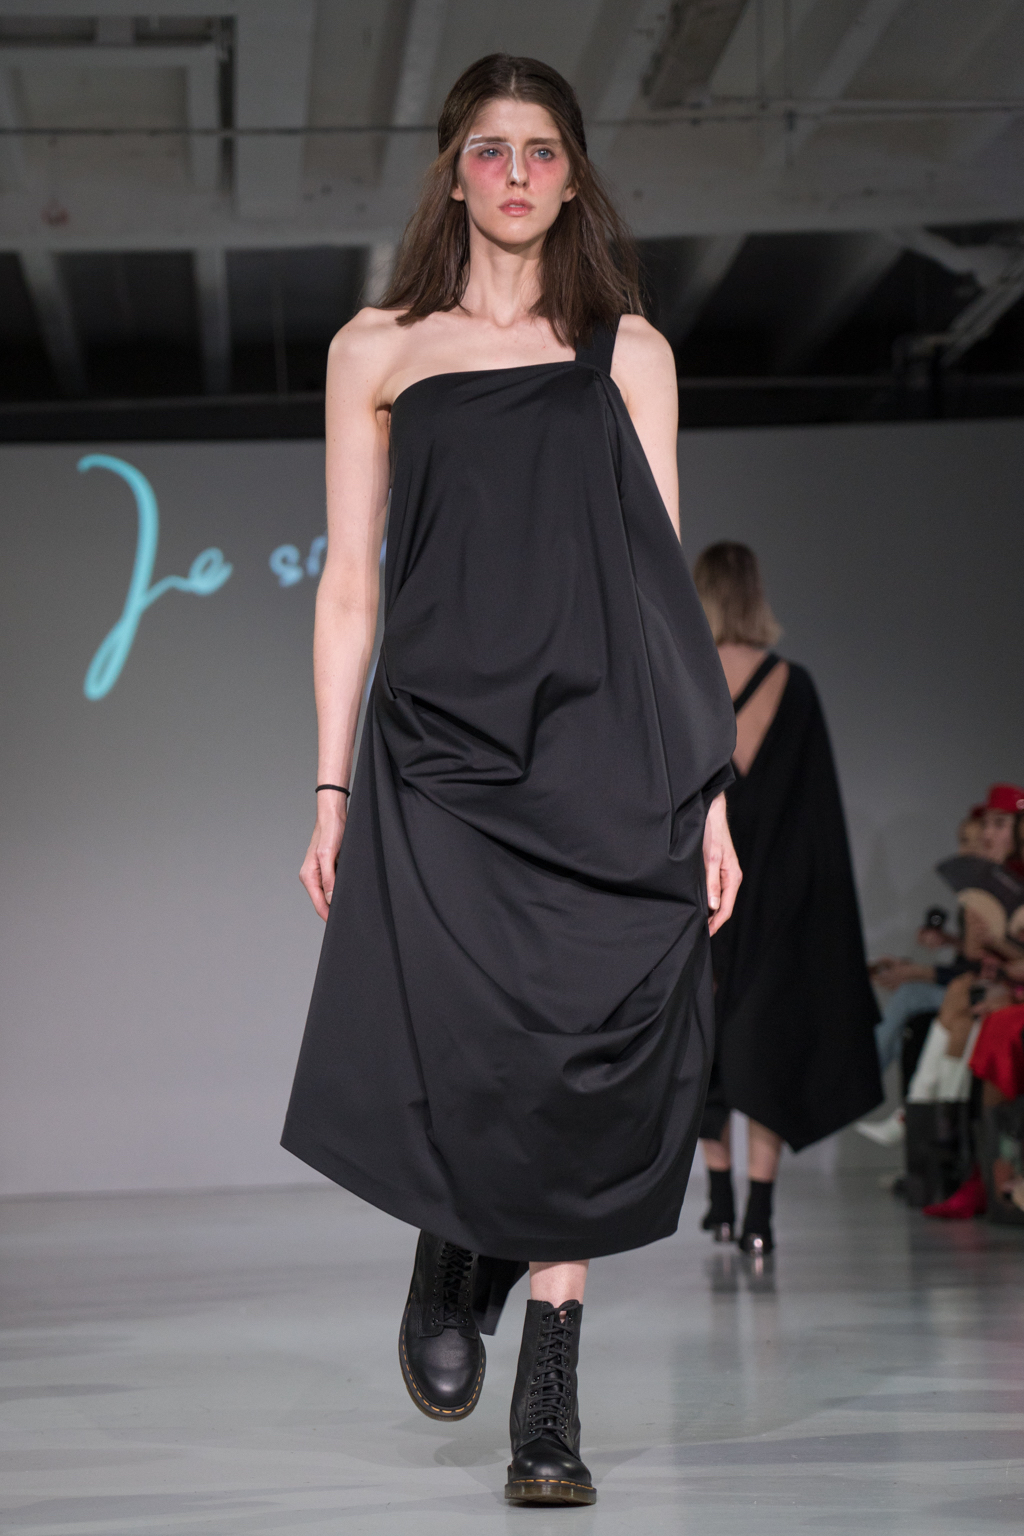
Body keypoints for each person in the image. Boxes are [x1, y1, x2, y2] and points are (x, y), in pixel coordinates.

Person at [280, 55, 740, 1508]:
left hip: (599, 752)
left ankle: (549, 1402)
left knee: (585, 1049)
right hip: (439, 753)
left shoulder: (629, 353)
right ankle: (454, 1242)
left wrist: (708, 791)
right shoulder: (378, 349)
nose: (519, 173)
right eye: (493, 148)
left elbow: (660, 592)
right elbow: (349, 586)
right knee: (475, 1038)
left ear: (574, 175)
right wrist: (331, 789)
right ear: (455, 172)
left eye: (544, 149)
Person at [692, 542, 881, 1254]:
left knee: (708, 1048)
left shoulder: (686, 676)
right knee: (765, 1049)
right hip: (778, 899)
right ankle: (759, 1216)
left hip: (705, 888)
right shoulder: (793, 687)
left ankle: (717, 1201)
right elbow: (815, 816)